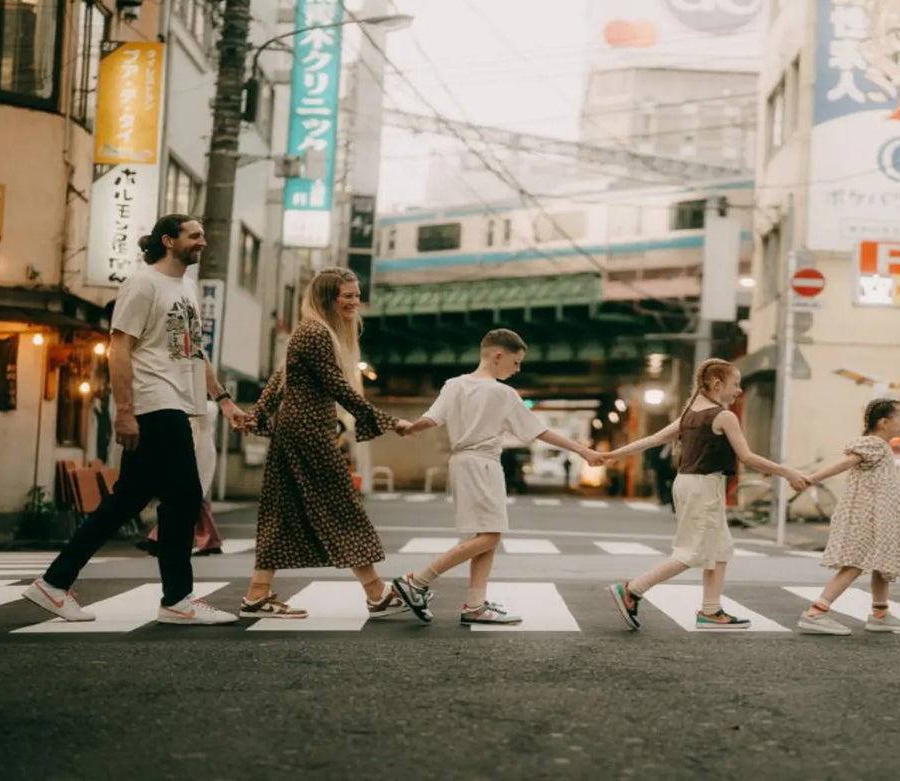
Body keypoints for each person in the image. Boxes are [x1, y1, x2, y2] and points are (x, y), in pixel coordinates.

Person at [21, 214, 247, 625]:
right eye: (194, 236)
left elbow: (193, 351)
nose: (202, 242)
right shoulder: (142, 284)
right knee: (184, 496)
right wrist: (125, 412)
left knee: (128, 498)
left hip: (177, 398)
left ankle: (54, 583)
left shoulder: (188, 287)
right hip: (153, 401)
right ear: (168, 240)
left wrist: (225, 400)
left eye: (202, 236)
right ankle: (177, 600)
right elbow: (118, 347)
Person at [391, 329, 604, 626]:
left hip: (462, 462)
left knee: (485, 535)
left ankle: (475, 604)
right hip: (484, 464)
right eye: (516, 363)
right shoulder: (503, 393)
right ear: (498, 356)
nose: (518, 370)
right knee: (490, 535)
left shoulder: (454, 385)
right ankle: (417, 581)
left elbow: (431, 419)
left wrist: (409, 428)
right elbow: (538, 430)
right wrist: (583, 450)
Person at [238, 268, 413, 620]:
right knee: (341, 508)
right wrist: (387, 421)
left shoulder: (313, 331)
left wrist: (258, 414)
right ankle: (376, 593)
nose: (354, 301)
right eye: (347, 295)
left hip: (296, 430)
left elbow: (279, 379)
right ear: (326, 298)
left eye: (356, 293)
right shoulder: (316, 332)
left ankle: (257, 594)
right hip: (308, 432)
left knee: (280, 513)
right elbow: (337, 385)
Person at [603, 359, 810, 631]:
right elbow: (746, 456)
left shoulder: (689, 413)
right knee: (692, 552)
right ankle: (632, 589)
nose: (738, 391)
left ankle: (711, 611)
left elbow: (653, 440)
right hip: (703, 486)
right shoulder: (723, 416)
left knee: (720, 547)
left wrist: (610, 455)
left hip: (691, 483)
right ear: (717, 384)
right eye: (735, 384)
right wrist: (787, 472)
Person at [794, 398, 900, 635]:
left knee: (881, 563)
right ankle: (816, 612)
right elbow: (847, 462)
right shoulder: (874, 444)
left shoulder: (880, 445)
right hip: (868, 516)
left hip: (878, 516)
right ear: (884, 422)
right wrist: (812, 478)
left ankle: (880, 613)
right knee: (855, 563)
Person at [141, 398, 224, 557]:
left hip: (199, 449)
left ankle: (160, 538)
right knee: (193, 499)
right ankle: (210, 541)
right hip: (195, 446)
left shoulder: (207, 406)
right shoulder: (201, 407)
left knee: (187, 497)